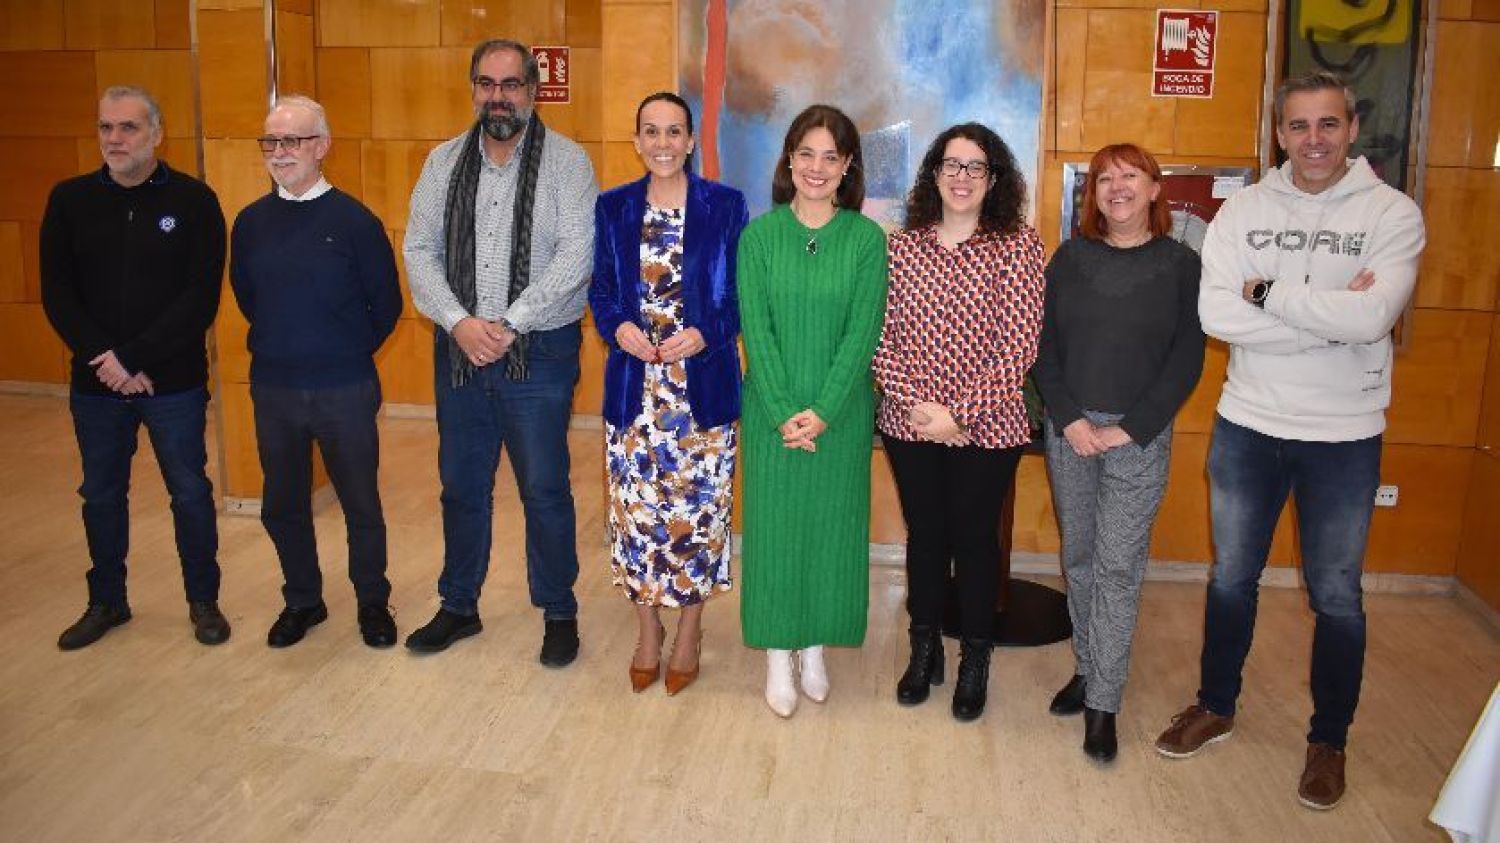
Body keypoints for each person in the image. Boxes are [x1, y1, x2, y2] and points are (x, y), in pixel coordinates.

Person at [1153, 71, 1425, 810]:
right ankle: (1215, 704)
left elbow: (1373, 320)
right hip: (1249, 423)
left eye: (1327, 125)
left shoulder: (1392, 213)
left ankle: (1329, 739)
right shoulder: (1243, 210)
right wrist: (1329, 316)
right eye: (1299, 126)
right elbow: (1216, 313)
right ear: (1279, 132)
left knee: (1336, 595)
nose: (1313, 140)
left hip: (1345, 436)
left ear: (1351, 128)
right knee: (1230, 578)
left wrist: (1269, 294)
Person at [402, 38, 597, 665]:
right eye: (487, 84)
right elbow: (418, 252)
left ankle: (559, 609)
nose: (498, 96)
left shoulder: (568, 164)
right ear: (474, 90)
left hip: (538, 353)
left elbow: (576, 258)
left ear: (533, 91)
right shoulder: (442, 163)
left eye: (511, 84)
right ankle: (459, 604)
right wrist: (460, 323)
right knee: (460, 485)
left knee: (543, 486)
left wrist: (508, 323)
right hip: (458, 350)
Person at [1032, 143, 1205, 760]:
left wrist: (1132, 427)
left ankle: (1104, 699)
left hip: (1139, 436)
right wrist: (1070, 418)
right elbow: (1042, 347)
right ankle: (1087, 665)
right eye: (1105, 178)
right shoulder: (1070, 259)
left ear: (1156, 189)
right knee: (1078, 556)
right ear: (1092, 194)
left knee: (1116, 565)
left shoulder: (1181, 265)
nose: (1117, 187)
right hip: (1071, 431)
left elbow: (1187, 357)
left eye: (1131, 176)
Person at [40, 85, 229, 650]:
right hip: (96, 385)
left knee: (190, 493)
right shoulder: (68, 199)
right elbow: (58, 292)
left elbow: (200, 298)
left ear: (156, 133)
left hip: (172, 382)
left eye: (127, 128)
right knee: (100, 495)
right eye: (105, 128)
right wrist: (109, 361)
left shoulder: (195, 201)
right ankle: (107, 602)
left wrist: (136, 357)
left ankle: (204, 601)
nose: (114, 139)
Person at [872, 123, 1045, 722]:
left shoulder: (1018, 246)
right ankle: (924, 651)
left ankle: (975, 657)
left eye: (976, 167)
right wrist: (922, 409)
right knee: (925, 537)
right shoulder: (902, 246)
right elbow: (881, 337)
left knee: (974, 543)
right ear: (934, 174)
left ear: (994, 178)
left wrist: (958, 415)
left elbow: (1019, 348)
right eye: (952, 164)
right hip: (908, 420)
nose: (962, 176)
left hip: (988, 427)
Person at [229, 95, 403, 649]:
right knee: (283, 503)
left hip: (344, 387)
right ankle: (302, 600)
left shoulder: (355, 221)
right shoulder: (251, 223)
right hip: (274, 386)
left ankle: (373, 601)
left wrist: (342, 351)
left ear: (322, 147)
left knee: (360, 504)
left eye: (293, 141)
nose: (280, 153)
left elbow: (386, 306)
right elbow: (248, 296)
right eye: (271, 142)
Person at [590, 93, 749, 695]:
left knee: (699, 516)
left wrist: (706, 333)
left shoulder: (726, 206)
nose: (662, 142)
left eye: (674, 131)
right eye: (650, 132)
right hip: (636, 389)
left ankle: (689, 630)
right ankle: (647, 630)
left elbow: (739, 295)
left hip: (700, 390)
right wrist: (617, 328)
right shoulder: (612, 208)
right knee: (636, 516)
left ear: (691, 140)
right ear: (637, 141)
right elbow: (601, 290)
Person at [737, 104, 888, 718]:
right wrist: (781, 411)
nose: (817, 167)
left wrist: (823, 412)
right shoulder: (759, 236)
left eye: (831, 156)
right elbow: (757, 329)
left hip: (842, 414)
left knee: (831, 532)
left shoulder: (866, 240)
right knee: (773, 533)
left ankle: (816, 646)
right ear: (789, 161)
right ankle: (778, 651)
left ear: (848, 165)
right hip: (771, 413)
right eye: (806, 154)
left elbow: (864, 333)